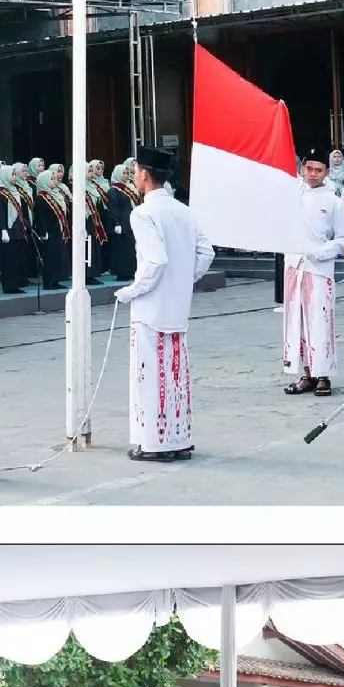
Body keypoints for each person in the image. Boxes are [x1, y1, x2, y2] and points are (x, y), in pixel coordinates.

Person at [116, 144, 214, 463]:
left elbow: (155, 261)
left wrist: (130, 291)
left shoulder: (143, 213)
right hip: (177, 305)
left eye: (136, 172)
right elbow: (206, 253)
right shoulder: (183, 210)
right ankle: (179, 437)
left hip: (151, 307)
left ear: (144, 175)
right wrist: (185, 280)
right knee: (174, 373)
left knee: (150, 374)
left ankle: (156, 442)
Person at [282, 147, 344, 398]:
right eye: (309, 169)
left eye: (318, 170)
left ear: (327, 172)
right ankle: (305, 374)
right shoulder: (293, 194)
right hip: (294, 266)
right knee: (296, 322)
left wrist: (321, 252)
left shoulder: (333, 201)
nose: (312, 174)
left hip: (319, 268)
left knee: (320, 322)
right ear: (302, 169)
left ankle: (323, 375)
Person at [0, 164, 30, 295]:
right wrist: (3, 230)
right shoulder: (0, 194)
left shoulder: (14, 190)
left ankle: (16, 283)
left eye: (14, 174)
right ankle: (9, 286)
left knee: (16, 258)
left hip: (16, 229)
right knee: (8, 259)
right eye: (12, 174)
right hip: (7, 230)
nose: (14, 177)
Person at [32, 169, 70, 290]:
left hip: (58, 230)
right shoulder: (41, 198)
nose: (54, 181)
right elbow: (40, 217)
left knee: (57, 256)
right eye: (52, 179)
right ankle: (48, 282)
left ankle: (55, 280)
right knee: (49, 257)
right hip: (49, 232)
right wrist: (43, 232)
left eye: (54, 179)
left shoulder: (56, 194)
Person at [106, 163, 138, 282]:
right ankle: (122, 273)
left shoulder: (129, 188)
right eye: (123, 173)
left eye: (127, 173)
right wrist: (117, 223)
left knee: (130, 249)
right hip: (120, 224)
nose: (126, 175)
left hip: (130, 223)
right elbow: (113, 208)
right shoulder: (113, 190)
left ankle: (130, 271)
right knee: (121, 250)